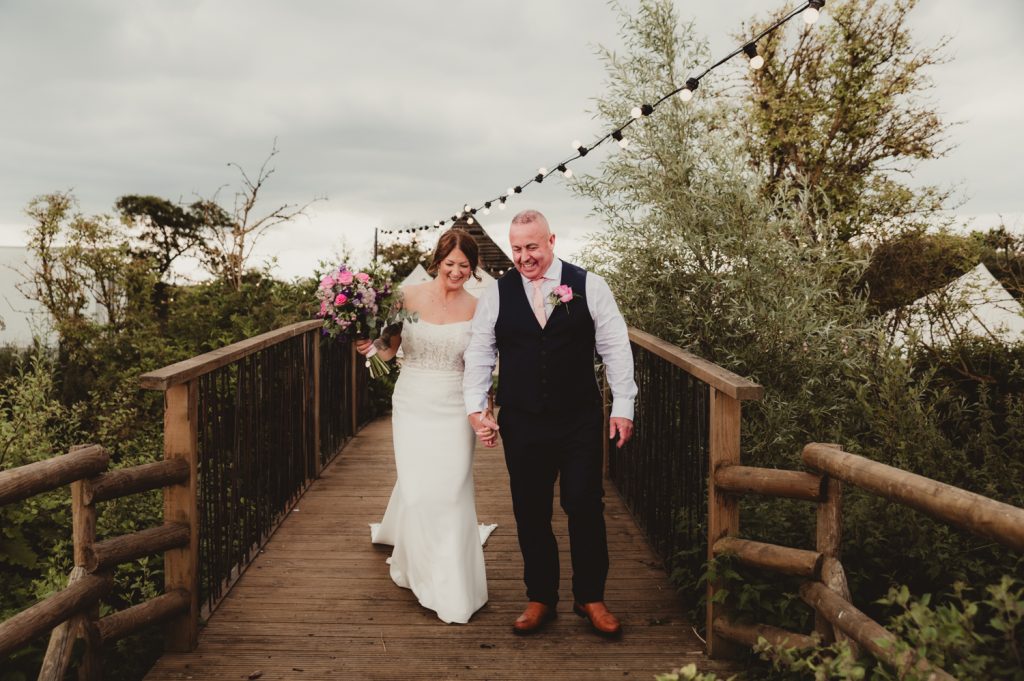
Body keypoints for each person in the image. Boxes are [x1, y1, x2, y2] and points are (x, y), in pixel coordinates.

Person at [463, 209, 637, 637]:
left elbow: (615, 347)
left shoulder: (589, 285)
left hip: (578, 416)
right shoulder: (498, 294)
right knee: (530, 510)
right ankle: (540, 597)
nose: (524, 257)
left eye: (532, 247)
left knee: (584, 504)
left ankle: (590, 597)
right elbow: (481, 352)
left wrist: (623, 406)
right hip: (521, 419)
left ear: (551, 241)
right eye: (517, 248)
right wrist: (475, 407)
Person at [357, 228, 496, 624]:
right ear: (437, 260)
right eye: (450, 263)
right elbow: (387, 354)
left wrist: (485, 411)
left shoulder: (478, 306)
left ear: (473, 269)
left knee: (451, 492)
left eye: (464, 266)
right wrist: (367, 349)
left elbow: (481, 365)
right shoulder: (408, 297)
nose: (456, 271)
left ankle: (453, 585)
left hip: (456, 406)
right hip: (413, 402)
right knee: (418, 493)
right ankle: (421, 573)